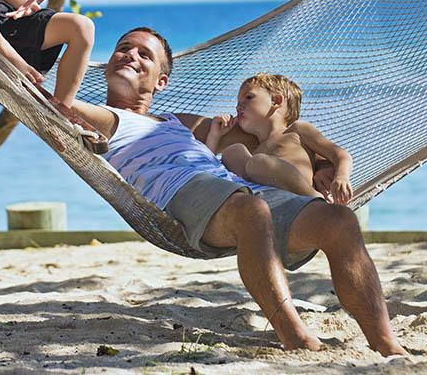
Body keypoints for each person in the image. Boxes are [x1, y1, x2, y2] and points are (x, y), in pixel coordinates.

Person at [71, 27, 406, 356]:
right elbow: (58, 104)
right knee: (251, 210)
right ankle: (296, 337)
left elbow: (273, 137)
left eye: (144, 54)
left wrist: (322, 166)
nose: (130, 55)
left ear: (161, 81)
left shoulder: (177, 121)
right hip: (183, 194)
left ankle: (384, 342)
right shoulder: (101, 119)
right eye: (123, 48)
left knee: (338, 219)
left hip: (238, 190)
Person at [204, 73, 353, 204]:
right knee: (233, 152)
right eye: (237, 102)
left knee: (258, 162)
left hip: (302, 200)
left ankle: (316, 201)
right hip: (265, 204)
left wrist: (341, 177)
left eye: (248, 97)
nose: (238, 106)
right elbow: (207, 169)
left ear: (276, 101)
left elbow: (339, 154)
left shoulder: (297, 131)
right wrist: (214, 135)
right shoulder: (252, 150)